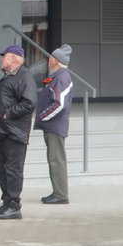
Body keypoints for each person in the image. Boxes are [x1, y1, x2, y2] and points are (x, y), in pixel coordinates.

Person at [0, 44, 37, 220]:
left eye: (4, 56)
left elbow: (29, 103)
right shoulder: (7, 78)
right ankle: (6, 202)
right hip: (0, 131)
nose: (1, 59)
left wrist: (7, 114)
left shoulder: (24, 77)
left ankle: (13, 205)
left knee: (13, 170)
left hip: (14, 133)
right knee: (1, 170)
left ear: (14, 59)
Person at [37, 44, 75, 205]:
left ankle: (60, 195)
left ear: (56, 60)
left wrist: (43, 116)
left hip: (55, 126)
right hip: (52, 125)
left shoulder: (61, 77)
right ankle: (57, 192)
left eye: (51, 57)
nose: (48, 59)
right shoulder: (56, 76)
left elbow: (59, 104)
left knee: (56, 159)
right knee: (54, 159)